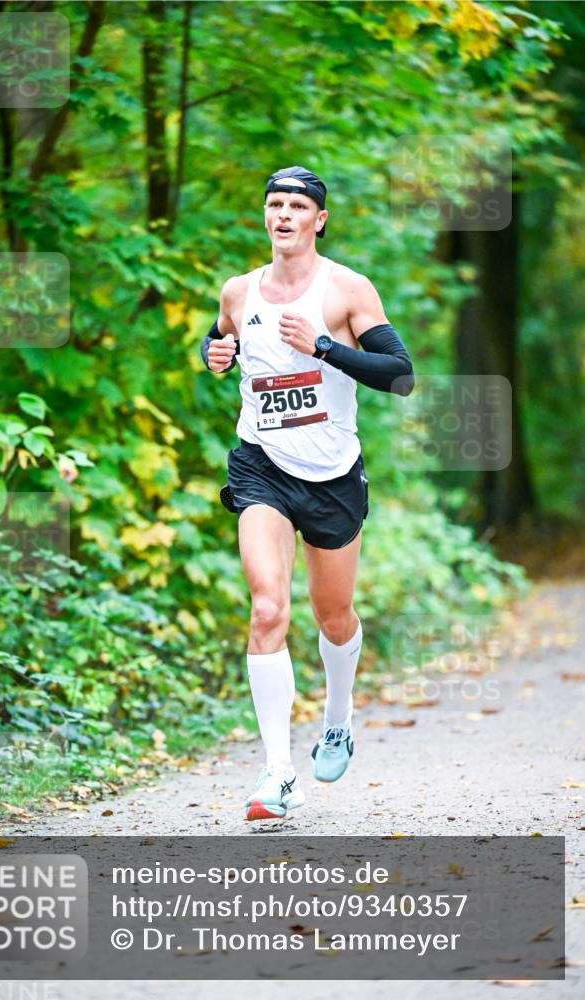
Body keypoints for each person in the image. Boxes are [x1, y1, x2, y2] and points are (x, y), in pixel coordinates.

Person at [200, 166, 414, 821]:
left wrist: (323, 347)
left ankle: (338, 718)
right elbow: (221, 340)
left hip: (331, 476)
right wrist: (213, 353)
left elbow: (399, 376)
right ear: (264, 216)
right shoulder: (238, 291)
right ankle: (276, 773)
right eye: (274, 204)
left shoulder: (345, 290)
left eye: (297, 206)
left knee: (332, 616)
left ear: (318, 219)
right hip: (260, 467)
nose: (283, 215)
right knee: (266, 610)